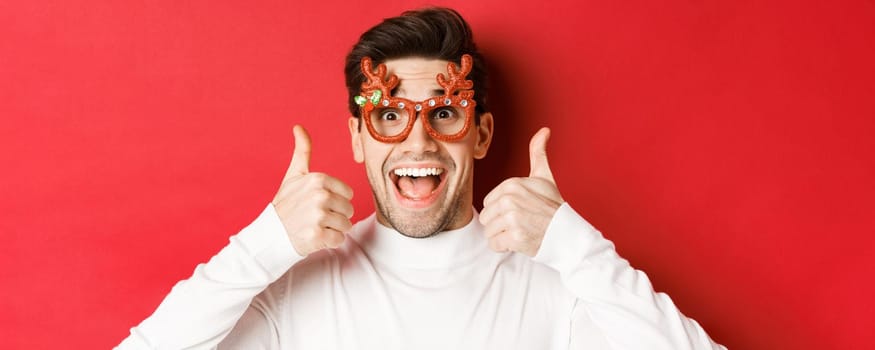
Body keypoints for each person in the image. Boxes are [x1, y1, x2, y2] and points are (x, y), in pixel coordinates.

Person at [117, 7, 725, 350]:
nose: (418, 140)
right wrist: (262, 246)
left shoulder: (557, 287)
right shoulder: (293, 288)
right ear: (357, 138)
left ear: (480, 133)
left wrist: (576, 247)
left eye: (443, 113)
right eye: (388, 116)